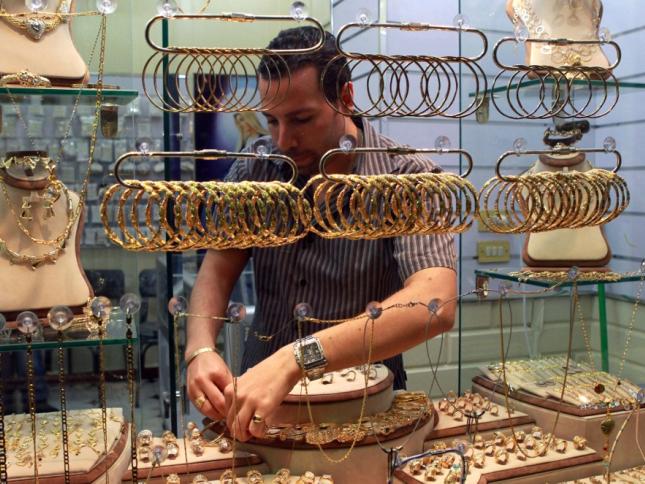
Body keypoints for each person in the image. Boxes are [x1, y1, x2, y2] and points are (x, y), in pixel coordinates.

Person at [185, 27, 457, 442]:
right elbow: (217, 270)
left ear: (345, 98)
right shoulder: (255, 170)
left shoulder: (406, 178)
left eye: (301, 119)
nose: (283, 140)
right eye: (271, 120)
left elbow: (434, 303)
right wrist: (200, 349)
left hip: (365, 410)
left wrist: (298, 358)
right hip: (261, 407)